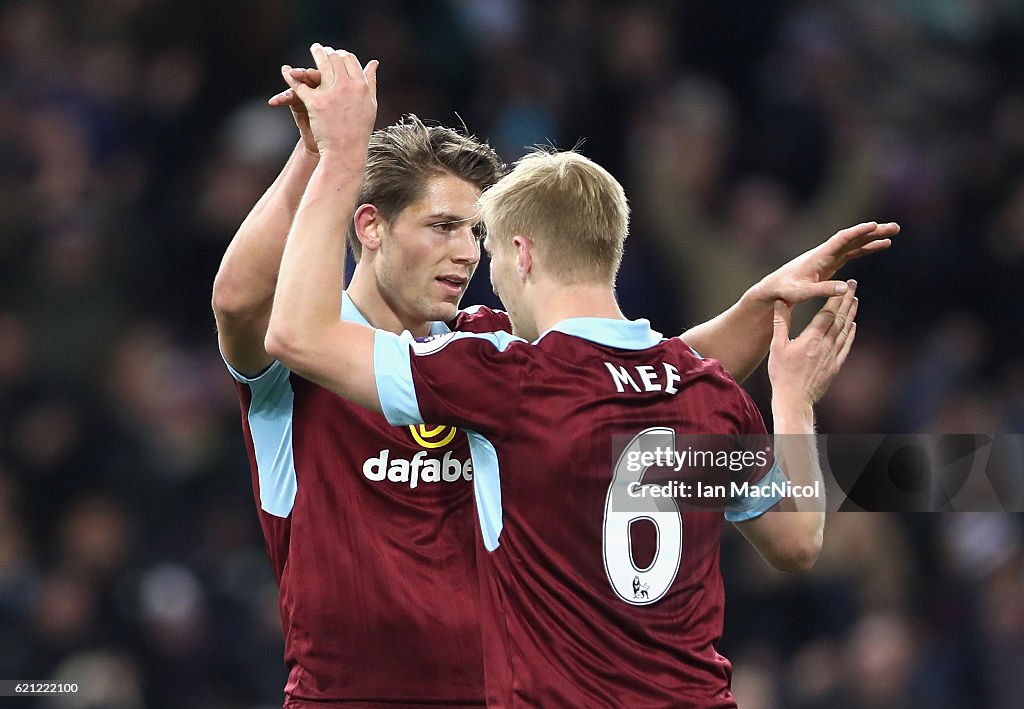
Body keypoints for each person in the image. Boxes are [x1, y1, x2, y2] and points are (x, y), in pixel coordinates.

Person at [214, 43, 896, 706]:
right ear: (370, 227)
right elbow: (243, 304)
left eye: (477, 234)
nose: (466, 254)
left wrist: (757, 307)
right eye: (444, 226)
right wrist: (320, 154)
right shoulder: (305, 366)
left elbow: (634, 378)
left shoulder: (495, 355)